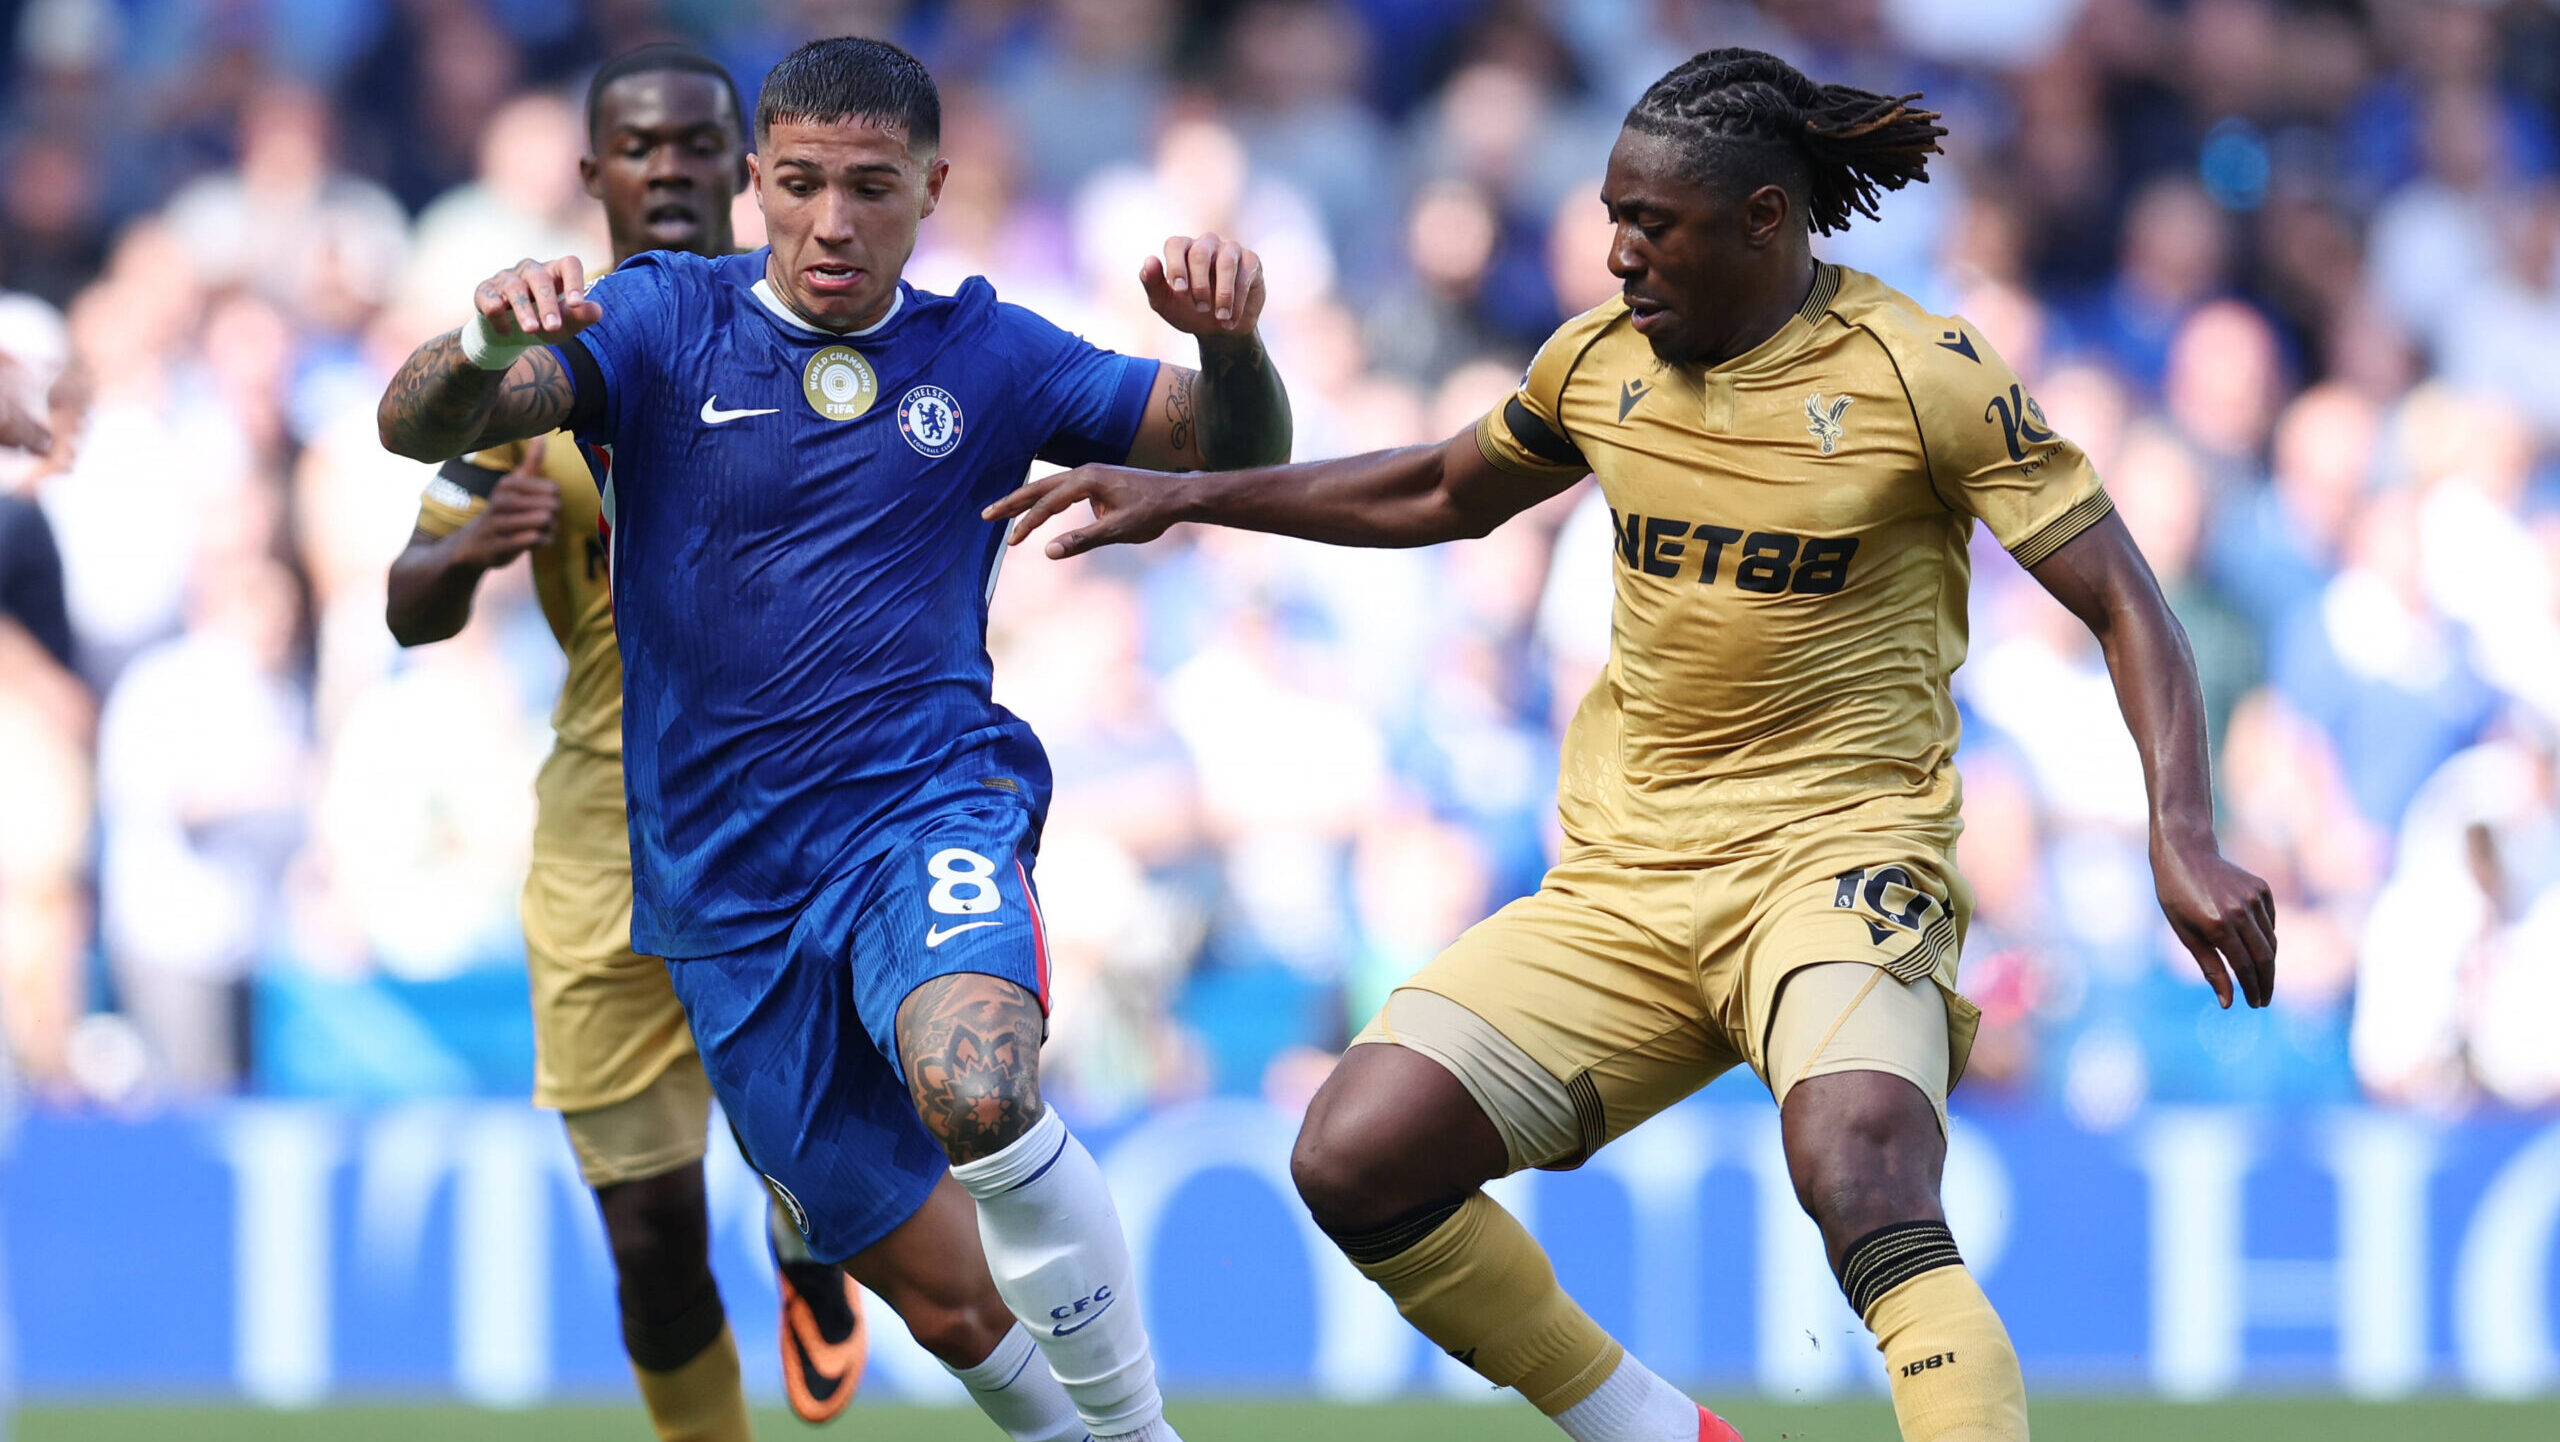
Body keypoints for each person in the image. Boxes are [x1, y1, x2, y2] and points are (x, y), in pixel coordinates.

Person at [989, 47, 2276, 1442]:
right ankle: (1661, 1429)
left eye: (1653, 222)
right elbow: (1437, 486)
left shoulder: (1926, 374)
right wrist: (1192, 493)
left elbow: (2127, 599)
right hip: (1627, 884)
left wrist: (2182, 829)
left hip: (1835, 869)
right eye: (1613, 214)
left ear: (1766, 221)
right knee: (1355, 1152)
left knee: (1862, 1168)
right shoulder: (1600, 361)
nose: (1617, 251)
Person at [377, 36, 1292, 1442]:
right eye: (800, 183)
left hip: (919, 818)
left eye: (873, 187)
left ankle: (1139, 1432)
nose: (833, 221)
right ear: (758, 186)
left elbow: (1231, 442)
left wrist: (1229, 342)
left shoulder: (986, 350)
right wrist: (489, 336)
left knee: (980, 1083)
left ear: (932, 188)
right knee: (950, 1306)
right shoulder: (659, 324)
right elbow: (416, 421)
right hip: (725, 896)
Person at [383, 45, 865, 1438]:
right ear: (593, 174)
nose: (670, 169)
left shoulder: (831, 336)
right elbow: (405, 609)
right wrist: (468, 549)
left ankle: (812, 1248)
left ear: (747, 167)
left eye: (698, 144)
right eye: (639, 148)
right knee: (651, 1247)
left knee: (822, 1172)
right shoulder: (538, 374)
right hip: (611, 833)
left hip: (798, 832)